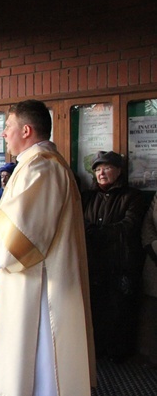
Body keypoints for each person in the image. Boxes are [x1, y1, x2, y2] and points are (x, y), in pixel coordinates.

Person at [0, 100, 96, 396]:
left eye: (8, 127)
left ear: (25, 130)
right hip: (32, 283)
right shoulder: (35, 164)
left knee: (36, 369)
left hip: (39, 289)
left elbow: (25, 239)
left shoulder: (41, 167)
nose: (4, 134)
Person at [82, 150, 146, 362]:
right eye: (98, 169)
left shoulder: (133, 196)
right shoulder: (88, 197)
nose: (101, 173)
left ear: (118, 171)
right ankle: (98, 351)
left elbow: (129, 226)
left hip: (120, 263)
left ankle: (119, 356)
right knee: (96, 310)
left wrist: (97, 232)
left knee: (119, 310)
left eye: (107, 168)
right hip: (93, 263)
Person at [140, 193, 157, 368]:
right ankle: (151, 356)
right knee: (152, 310)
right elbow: (148, 224)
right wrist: (153, 246)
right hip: (155, 258)